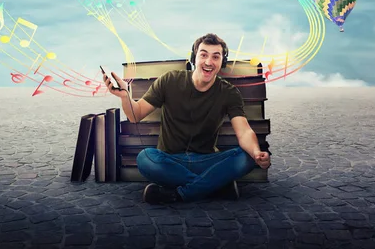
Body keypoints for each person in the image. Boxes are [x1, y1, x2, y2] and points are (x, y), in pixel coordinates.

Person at [103, 33, 271, 204]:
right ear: (194, 58)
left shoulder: (229, 93)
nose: (208, 62)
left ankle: (180, 194)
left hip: (206, 160)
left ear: (223, 62)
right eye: (203, 54)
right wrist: (125, 96)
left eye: (216, 56)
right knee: (145, 158)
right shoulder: (170, 80)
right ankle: (215, 185)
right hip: (169, 160)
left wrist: (256, 153)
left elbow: (243, 131)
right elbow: (135, 114)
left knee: (247, 156)